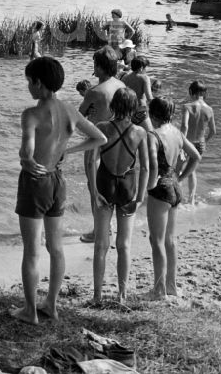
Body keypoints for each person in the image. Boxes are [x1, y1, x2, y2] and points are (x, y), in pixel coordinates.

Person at [10, 57, 106, 323]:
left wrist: (26, 160)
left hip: (35, 183)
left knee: (31, 251)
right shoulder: (70, 110)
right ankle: (51, 304)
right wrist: (69, 149)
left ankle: (30, 311)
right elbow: (100, 138)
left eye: (29, 81)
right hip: (57, 181)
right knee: (56, 247)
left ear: (39, 83)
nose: (28, 86)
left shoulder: (31, 114)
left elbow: (27, 151)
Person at [88, 88, 148, 305]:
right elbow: (147, 168)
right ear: (133, 108)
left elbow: (91, 161)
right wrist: (140, 198)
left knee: (101, 244)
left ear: (113, 105)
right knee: (124, 245)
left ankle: (97, 296)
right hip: (127, 187)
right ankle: (122, 296)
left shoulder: (102, 127)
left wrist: (95, 192)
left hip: (104, 183)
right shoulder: (140, 133)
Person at [145, 97, 201, 300]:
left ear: (152, 115)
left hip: (160, 189)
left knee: (156, 240)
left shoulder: (153, 135)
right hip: (175, 186)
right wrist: (182, 177)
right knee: (170, 239)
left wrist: (147, 187)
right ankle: (172, 286)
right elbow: (196, 156)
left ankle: (159, 289)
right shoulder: (177, 132)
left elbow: (151, 166)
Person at [78, 47, 125, 243]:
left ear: (100, 66)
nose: (93, 68)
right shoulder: (122, 85)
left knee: (95, 187)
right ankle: (110, 228)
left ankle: (100, 230)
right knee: (111, 186)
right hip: (119, 142)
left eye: (94, 64)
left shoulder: (95, 92)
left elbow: (78, 117)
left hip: (97, 143)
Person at [180, 81, 216, 206]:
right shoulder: (209, 109)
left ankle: (177, 200)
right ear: (204, 93)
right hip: (200, 144)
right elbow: (213, 131)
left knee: (179, 170)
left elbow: (184, 126)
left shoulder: (187, 107)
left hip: (187, 143)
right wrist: (205, 141)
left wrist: (181, 143)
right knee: (191, 171)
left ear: (191, 92)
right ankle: (191, 199)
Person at [120, 55, 153, 128]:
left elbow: (121, 93)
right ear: (141, 68)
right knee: (150, 134)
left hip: (128, 112)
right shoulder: (145, 78)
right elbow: (149, 97)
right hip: (140, 111)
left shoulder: (125, 77)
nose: (146, 70)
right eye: (146, 68)